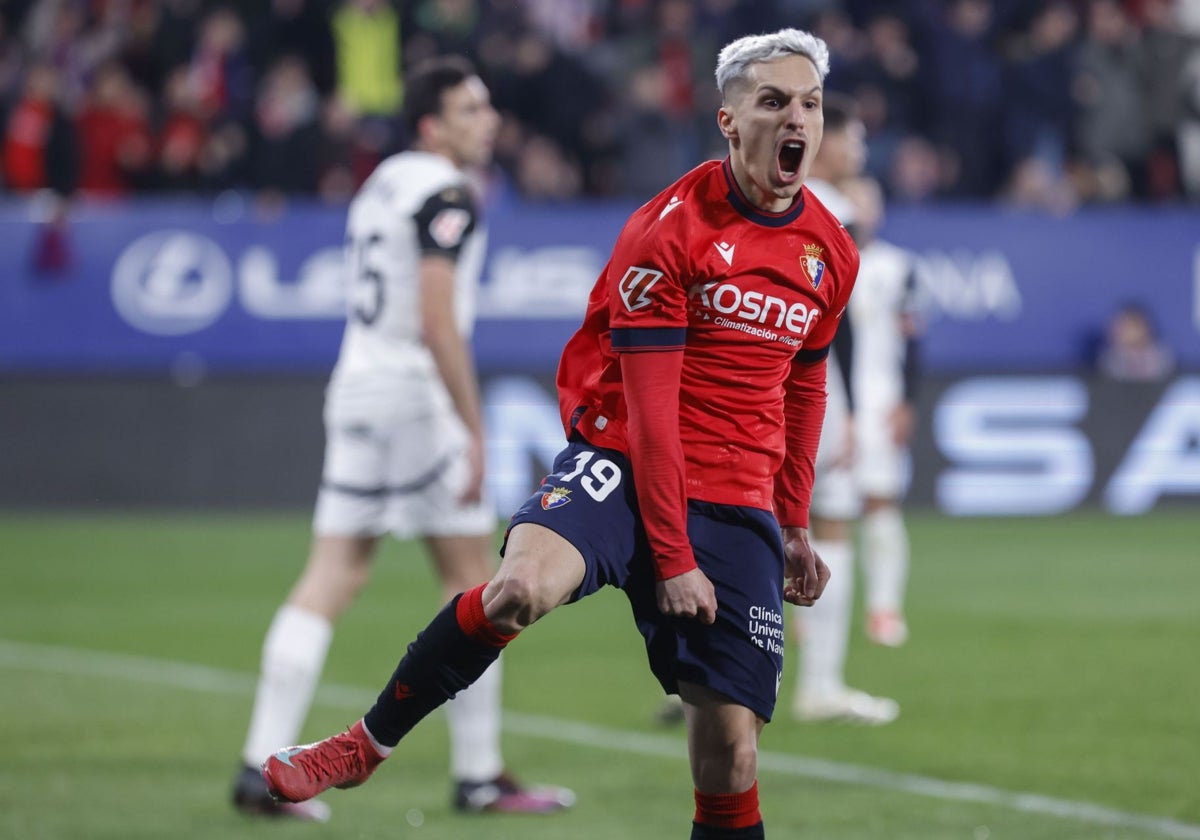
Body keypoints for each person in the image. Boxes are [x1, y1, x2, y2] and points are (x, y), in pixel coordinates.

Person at [261, 28, 855, 839]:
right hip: (625, 457)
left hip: (738, 490)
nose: (798, 119)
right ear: (728, 119)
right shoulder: (667, 233)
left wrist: (792, 521)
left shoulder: (831, 250)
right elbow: (649, 410)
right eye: (774, 101)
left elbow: (805, 383)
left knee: (731, 753)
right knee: (515, 589)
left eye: (810, 104)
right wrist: (672, 557)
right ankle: (365, 743)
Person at [231, 56, 574, 821]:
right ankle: (479, 773)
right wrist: (473, 425)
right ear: (432, 124)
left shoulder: (382, 181)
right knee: (474, 584)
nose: (488, 120)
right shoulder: (448, 193)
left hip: (354, 386)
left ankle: (260, 762)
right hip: (417, 400)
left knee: (331, 576)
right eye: (470, 109)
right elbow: (436, 318)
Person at [790, 95, 900, 725]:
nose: (856, 151)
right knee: (829, 521)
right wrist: (852, 409)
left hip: (755, 386)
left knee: (740, 523)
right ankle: (821, 685)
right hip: (811, 391)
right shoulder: (839, 212)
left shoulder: (762, 195)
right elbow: (841, 321)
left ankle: (696, 672)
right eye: (850, 140)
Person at [842, 174, 921, 653]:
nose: (862, 210)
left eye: (869, 201)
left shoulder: (899, 267)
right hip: (826, 399)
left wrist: (907, 401)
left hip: (879, 398)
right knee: (809, 511)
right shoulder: (816, 257)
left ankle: (885, 608)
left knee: (879, 501)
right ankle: (806, 612)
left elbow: (915, 343)